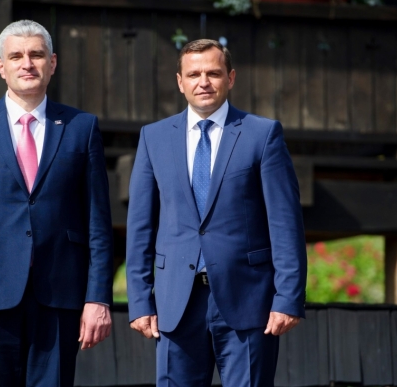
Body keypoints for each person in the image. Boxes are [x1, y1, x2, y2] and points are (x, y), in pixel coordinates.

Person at [0, 20, 114, 387]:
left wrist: (98, 298)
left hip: (60, 296)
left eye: (36, 54)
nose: (27, 64)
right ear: (1, 67)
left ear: (53, 62)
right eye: (16, 56)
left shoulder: (82, 127)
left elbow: (98, 221)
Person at [126, 39, 307, 386]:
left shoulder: (263, 134)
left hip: (248, 302)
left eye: (213, 73)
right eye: (194, 74)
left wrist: (288, 298)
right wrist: (139, 300)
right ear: (180, 82)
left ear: (231, 78)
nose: (203, 82)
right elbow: (140, 227)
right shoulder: (154, 138)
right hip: (175, 304)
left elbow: (285, 224)